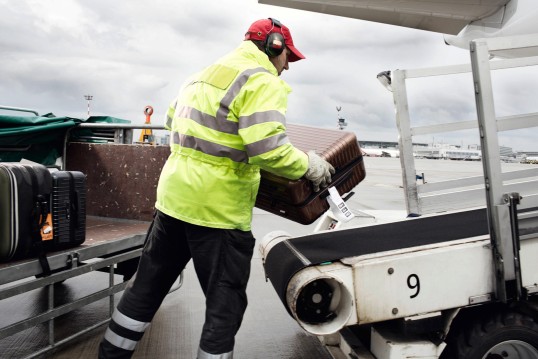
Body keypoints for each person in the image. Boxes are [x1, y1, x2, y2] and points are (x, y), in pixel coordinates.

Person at [98, 18, 334, 359]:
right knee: (225, 305)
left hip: (174, 202)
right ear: (274, 47)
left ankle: (110, 354)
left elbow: (171, 122)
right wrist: (308, 165)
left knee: (146, 289)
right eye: (288, 58)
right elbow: (268, 150)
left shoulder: (201, 75)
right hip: (218, 212)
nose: (287, 67)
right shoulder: (261, 80)